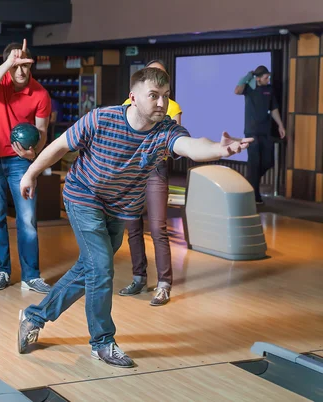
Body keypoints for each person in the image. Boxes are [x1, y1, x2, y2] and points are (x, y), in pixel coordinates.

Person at [17, 67, 252, 367]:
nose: (160, 103)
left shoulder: (165, 131)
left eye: (165, 97)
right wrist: (30, 173)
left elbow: (192, 147)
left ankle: (34, 316)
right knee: (101, 268)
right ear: (133, 98)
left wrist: (220, 148)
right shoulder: (102, 119)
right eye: (153, 96)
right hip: (83, 196)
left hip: (121, 207)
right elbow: (60, 145)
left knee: (89, 269)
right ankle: (102, 342)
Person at [0, 39, 52, 293]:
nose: (20, 72)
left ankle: (31, 276)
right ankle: (2, 271)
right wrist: (9, 62)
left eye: (25, 66)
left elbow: (42, 132)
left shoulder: (40, 94)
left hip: (20, 162)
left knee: (28, 219)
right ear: (8, 66)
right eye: (15, 66)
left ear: (31, 66)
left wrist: (34, 152)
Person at [119, 60, 182, 306]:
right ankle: (138, 278)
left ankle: (164, 284)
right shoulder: (130, 102)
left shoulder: (171, 106)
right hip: (132, 172)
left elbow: (175, 138)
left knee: (158, 228)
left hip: (156, 170)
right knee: (133, 227)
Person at [234, 65, 286, 204]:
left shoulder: (269, 89)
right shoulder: (249, 89)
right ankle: (255, 196)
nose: (268, 79)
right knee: (254, 164)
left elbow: (273, 108)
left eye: (268, 77)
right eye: (265, 77)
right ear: (257, 78)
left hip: (265, 131)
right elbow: (237, 91)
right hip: (251, 132)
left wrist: (280, 125)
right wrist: (247, 77)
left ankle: (250, 181)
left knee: (268, 161)